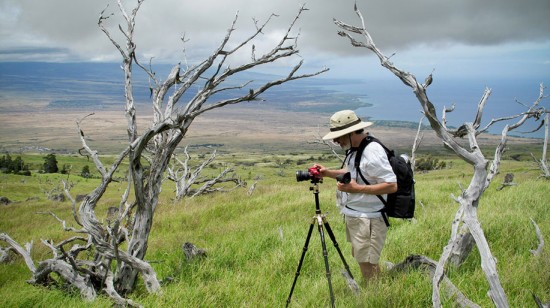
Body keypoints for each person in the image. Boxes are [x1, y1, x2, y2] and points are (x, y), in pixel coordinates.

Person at [313, 110, 397, 285]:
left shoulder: (372, 150)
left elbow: (391, 185)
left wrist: (357, 189)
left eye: (339, 136)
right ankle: (376, 290)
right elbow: (353, 172)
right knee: (361, 257)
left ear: (352, 133)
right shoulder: (356, 148)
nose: (336, 141)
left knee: (367, 263)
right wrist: (327, 173)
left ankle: (374, 298)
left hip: (369, 219)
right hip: (357, 217)